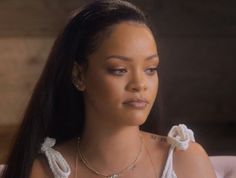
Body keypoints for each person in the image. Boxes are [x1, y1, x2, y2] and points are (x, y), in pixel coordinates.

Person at [2, 0, 217, 178]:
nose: (140, 84)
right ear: (79, 75)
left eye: (150, 69)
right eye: (119, 69)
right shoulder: (45, 171)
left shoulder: (186, 162)